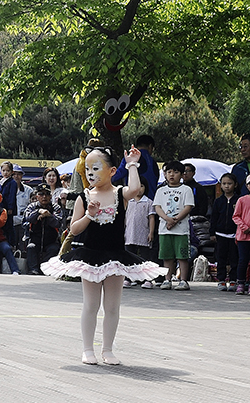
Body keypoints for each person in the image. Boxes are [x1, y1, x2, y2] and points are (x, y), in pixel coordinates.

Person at [44, 146, 163, 365]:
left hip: (116, 258)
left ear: (111, 171)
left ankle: (107, 349)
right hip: (90, 257)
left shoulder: (120, 193)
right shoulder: (84, 196)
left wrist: (133, 164)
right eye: (87, 168)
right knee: (91, 305)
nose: (90, 173)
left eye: (96, 168)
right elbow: (75, 229)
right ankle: (87, 349)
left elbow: (135, 188)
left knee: (112, 306)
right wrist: (90, 215)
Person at [153, 161, 196, 290]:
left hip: (181, 230)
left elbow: (188, 207)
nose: (172, 175)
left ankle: (183, 280)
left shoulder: (186, 190)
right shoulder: (161, 190)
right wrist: (167, 219)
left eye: (176, 172)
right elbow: (157, 207)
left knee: (182, 256)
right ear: (165, 174)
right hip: (165, 229)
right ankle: (167, 279)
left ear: (182, 175)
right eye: (169, 172)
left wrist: (175, 220)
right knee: (167, 256)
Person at [208, 173, 240, 291]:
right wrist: (212, 233)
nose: (227, 186)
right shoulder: (218, 201)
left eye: (229, 183)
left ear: (235, 185)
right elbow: (214, 218)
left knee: (234, 258)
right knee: (220, 258)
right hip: (220, 233)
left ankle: (233, 280)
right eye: (224, 184)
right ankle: (221, 280)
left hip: (234, 234)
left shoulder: (239, 200)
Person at [21, 187, 61, 275]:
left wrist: (48, 215)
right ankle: (33, 269)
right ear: (37, 196)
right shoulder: (32, 206)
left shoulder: (55, 207)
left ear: (50, 196)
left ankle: (46, 269)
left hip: (51, 240)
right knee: (31, 247)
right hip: (35, 239)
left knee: (54, 249)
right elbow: (28, 218)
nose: (44, 197)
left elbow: (58, 223)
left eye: (47, 194)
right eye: (41, 194)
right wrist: (38, 211)